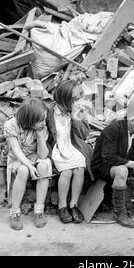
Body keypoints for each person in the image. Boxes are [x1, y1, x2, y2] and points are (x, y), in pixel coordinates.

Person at [91, 92, 134, 228]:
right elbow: (108, 157)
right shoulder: (114, 129)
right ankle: (119, 212)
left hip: (121, 161)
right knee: (122, 170)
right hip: (103, 166)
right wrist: (132, 164)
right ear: (133, 120)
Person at [46, 80, 94, 224]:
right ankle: (62, 206)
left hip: (72, 145)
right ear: (64, 98)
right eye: (74, 99)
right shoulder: (50, 111)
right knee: (66, 171)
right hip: (57, 147)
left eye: (78, 97)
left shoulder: (77, 111)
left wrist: (76, 119)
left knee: (79, 168)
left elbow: (84, 134)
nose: (77, 101)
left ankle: (74, 205)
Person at [4, 99, 52, 230]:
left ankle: (39, 210)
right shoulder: (11, 125)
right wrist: (30, 166)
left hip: (34, 156)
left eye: (44, 119)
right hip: (17, 158)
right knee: (24, 170)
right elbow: (16, 150)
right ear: (30, 119)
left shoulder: (41, 127)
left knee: (43, 166)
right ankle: (14, 212)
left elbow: (43, 155)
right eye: (40, 120)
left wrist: (40, 136)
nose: (43, 123)